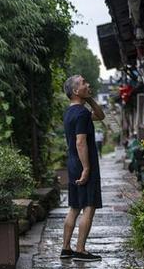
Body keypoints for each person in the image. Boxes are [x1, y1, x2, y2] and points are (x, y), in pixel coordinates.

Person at [60, 75, 105, 262]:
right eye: (83, 83)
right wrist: (87, 168)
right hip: (84, 164)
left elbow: (100, 116)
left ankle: (66, 248)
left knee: (74, 207)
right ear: (76, 91)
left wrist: (90, 99)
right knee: (89, 206)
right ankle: (80, 250)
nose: (88, 84)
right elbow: (80, 142)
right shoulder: (81, 114)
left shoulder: (71, 112)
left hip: (72, 164)